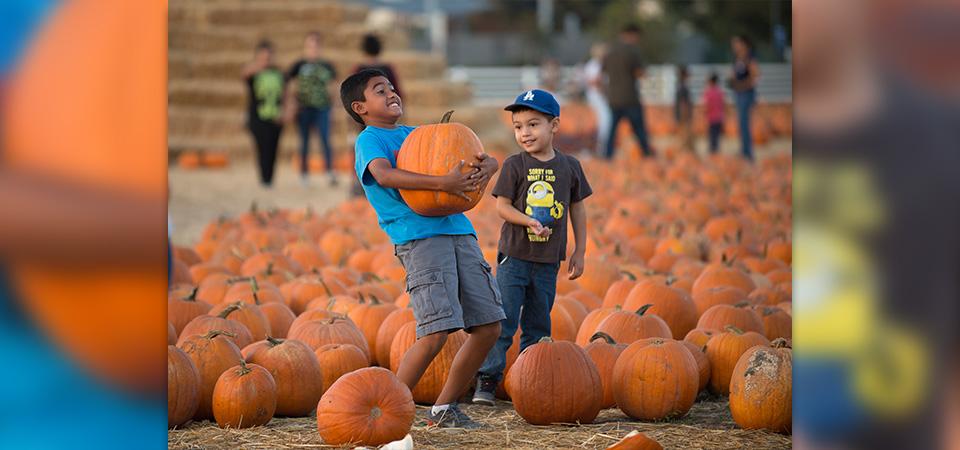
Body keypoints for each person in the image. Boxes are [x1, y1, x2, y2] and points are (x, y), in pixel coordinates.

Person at [339, 69, 503, 428]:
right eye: (380, 91)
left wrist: (487, 166)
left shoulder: (417, 134)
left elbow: (474, 157)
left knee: (489, 325)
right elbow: (384, 174)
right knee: (435, 332)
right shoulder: (370, 140)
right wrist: (443, 182)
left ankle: (444, 408)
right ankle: (385, 409)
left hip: (459, 229)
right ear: (360, 107)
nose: (391, 93)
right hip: (419, 238)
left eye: (392, 87)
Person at [472, 89, 591, 406]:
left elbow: (577, 208)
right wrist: (527, 221)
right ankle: (487, 378)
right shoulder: (514, 165)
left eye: (533, 124)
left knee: (539, 325)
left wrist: (579, 250)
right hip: (515, 258)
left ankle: (530, 379)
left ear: (554, 125)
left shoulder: (570, 167)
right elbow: (503, 207)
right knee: (504, 320)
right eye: (518, 126)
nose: (525, 133)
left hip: (548, 261)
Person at [288, 32, 338, 186]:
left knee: (325, 139)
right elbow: (288, 83)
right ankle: (304, 173)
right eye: (310, 46)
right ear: (305, 47)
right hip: (304, 109)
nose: (313, 49)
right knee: (304, 142)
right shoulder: (299, 65)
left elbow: (334, 85)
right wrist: (292, 103)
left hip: (323, 108)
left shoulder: (327, 66)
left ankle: (329, 171)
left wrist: (336, 105)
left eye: (316, 46)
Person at [602, 23, 654, 159]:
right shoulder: (632, 52)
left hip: (614, 98)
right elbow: (639, 73)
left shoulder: (610, 52)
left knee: (612, 131)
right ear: (632, 35)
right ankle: (647, 154)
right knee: (639, 129)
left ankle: (607, 155)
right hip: (630, 97)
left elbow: (603, 72)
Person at [242, 40, 284, 188]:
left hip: (276, 116)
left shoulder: (278, 74)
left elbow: (285, 93)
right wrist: (260, 66)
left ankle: (270, 178)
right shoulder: (254, 74)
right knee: (262, 147)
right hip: (258, 117)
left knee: (273, 148)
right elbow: (245, 74)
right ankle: (264, 178)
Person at [728, 34, 760, 160]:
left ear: (743, 44)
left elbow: (755, 74)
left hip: (746, 93)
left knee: (745, 123)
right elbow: (734, 74)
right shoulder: (737, 58)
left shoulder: (749, 57)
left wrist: (743, 85)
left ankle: (747, 153)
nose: (734, 46)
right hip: (738, 93)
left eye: (736, 43)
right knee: (741, 124)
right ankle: (743, 150)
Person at [353, 33, 402, 99]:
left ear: (364, 49)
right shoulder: (387, 69)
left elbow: (352, 94)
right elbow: (397, 92)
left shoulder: (359, 70)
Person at [583, 43, 611, 154]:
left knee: (605, 121)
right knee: (604, 120)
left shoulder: (603, 64)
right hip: (597, 96)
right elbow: (594, 82)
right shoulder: (592, 65)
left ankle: (603, 146)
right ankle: (601, 147)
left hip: (602, 96)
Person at [702, 72, 725, 154]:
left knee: (711, 137)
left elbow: (706, 106)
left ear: (710, 81)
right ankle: (716, 152)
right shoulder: (720, 92)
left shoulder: (708, 93)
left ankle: (712, 153)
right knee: (717, 137)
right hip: (719, 118)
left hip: (711, 118)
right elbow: (723, 105)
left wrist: (703, 114)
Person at [674, 65, 694, 152]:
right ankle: (684, 151)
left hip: (681, 114)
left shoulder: (679, 86)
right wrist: (684, 115)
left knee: (684, 135)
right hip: (684, 115)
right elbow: (683, 103)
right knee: (685, 135)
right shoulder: (683, 88)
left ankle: (685, 151)